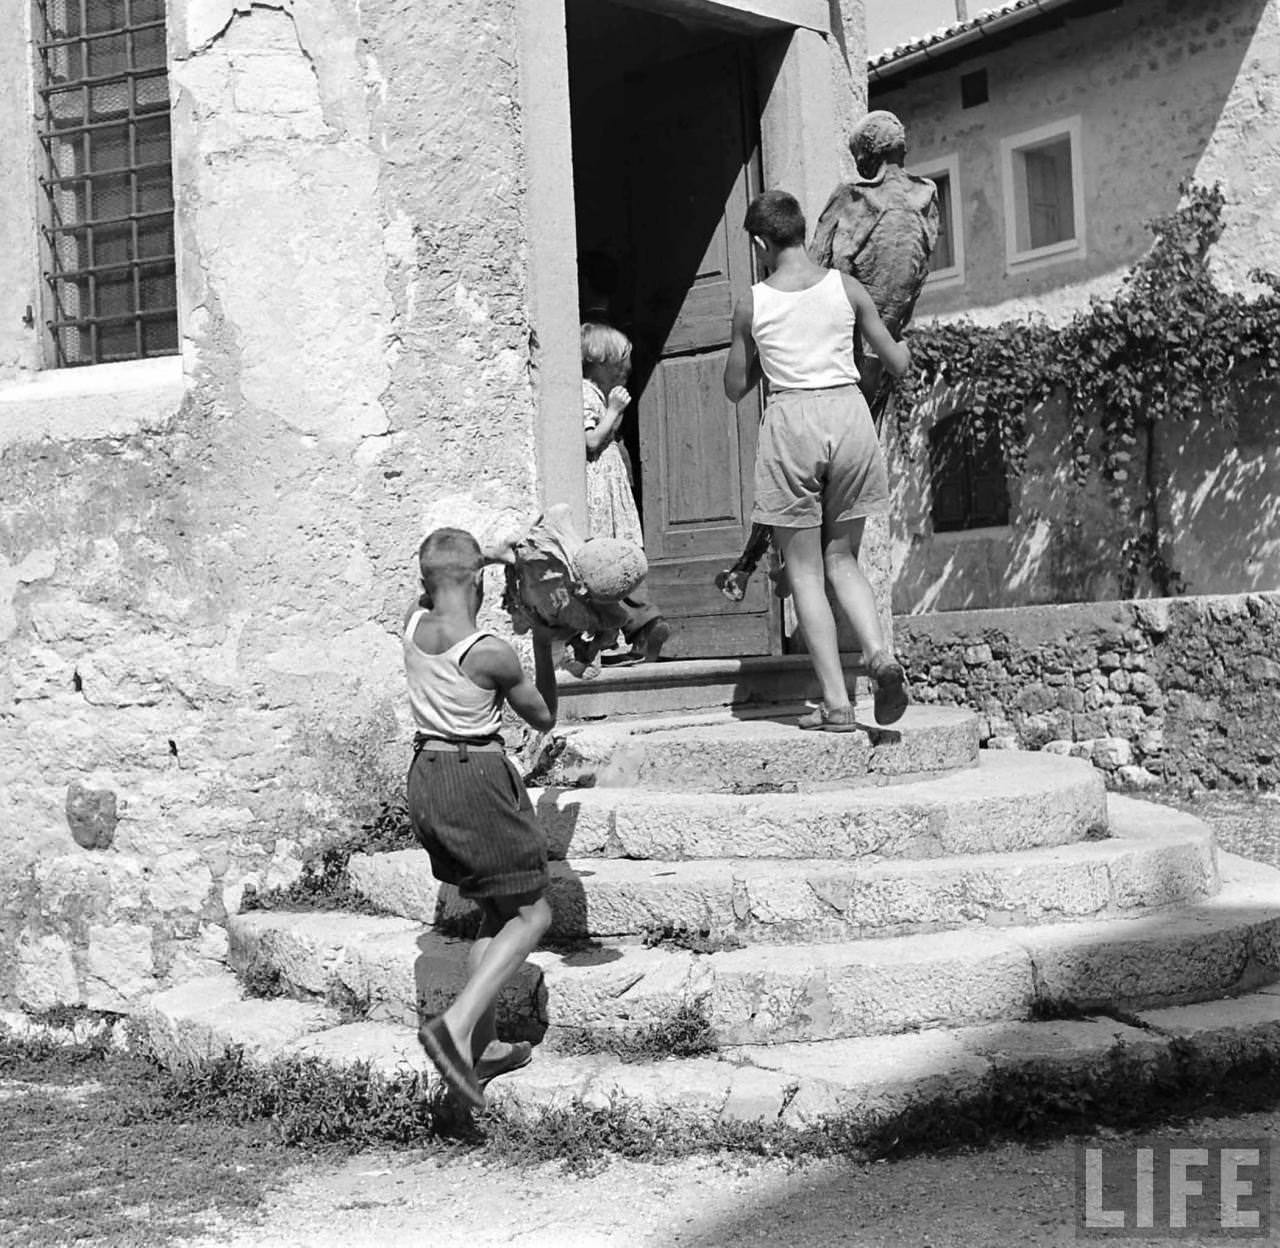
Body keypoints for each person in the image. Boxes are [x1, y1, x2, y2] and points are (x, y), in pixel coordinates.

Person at [724, 190, 910, 731]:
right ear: (803, 232)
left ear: (760, 242)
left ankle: (836, 704)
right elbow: (895, 360)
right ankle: (878, 654)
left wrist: (762, 351)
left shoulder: (752, 303)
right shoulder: (846, 287)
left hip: (793, 422)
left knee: (804, 573)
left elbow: (735, 386)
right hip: (849, 417)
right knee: (842, 561)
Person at [405, 527, 556, 1109]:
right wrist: (544, 642)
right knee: (533, 913)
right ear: (480, 580)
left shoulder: (412, 628)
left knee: (496, 911)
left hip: (427, 776)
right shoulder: (488, 651)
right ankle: (458, 1025)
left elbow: (440, 577)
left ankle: (482, 1050)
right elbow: (542, 718)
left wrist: (481, 559)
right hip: (475, 776)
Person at [581, 322, 669, 664]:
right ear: (597, 359)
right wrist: (615, 412)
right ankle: (628, 630)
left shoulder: (598, 394)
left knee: (613, 558)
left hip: (610, 485)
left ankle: (631, 629)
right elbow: (590, 440)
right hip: (600, 487)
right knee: (608, 560)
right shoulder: (586, 392)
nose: (625, 368)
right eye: (618, 361)